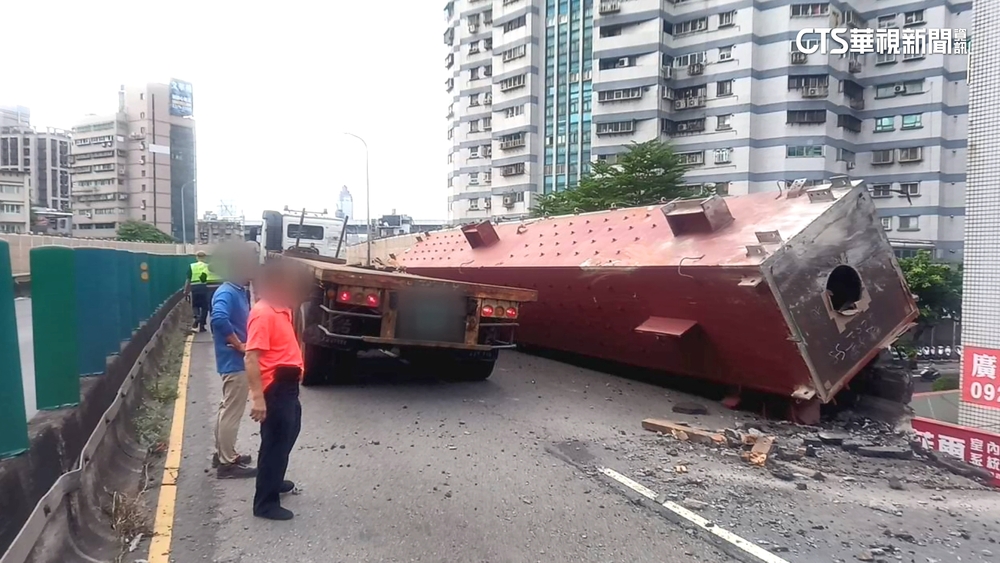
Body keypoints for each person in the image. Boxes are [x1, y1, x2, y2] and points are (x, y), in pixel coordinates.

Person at [246, 260, 310, 520]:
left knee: (289, 433)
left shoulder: (282, 309)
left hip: (288, 384)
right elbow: (251, 357)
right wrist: (258, 399)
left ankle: (274, 480)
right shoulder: (263, 313)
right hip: (275, 387)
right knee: (274, 443)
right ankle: (265, 503)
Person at [209, 244, 258, 479]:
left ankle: (223, 453)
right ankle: (227, 464)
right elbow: (218, 318)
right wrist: (238, 344)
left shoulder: (236, 290)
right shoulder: (227, 292)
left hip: (233, 360)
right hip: (235, 361)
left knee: (226, 408)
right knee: (231, 411)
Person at [185, 251, 222, 332]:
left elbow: (188, 279)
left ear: (196, 257)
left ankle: (197, 316)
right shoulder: (207, 266)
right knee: (205, 307)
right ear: (205, 257)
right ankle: (202, 325)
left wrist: (186, 290)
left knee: (195, 305)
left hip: (195, 287)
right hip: (205, 288)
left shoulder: (192, 266)